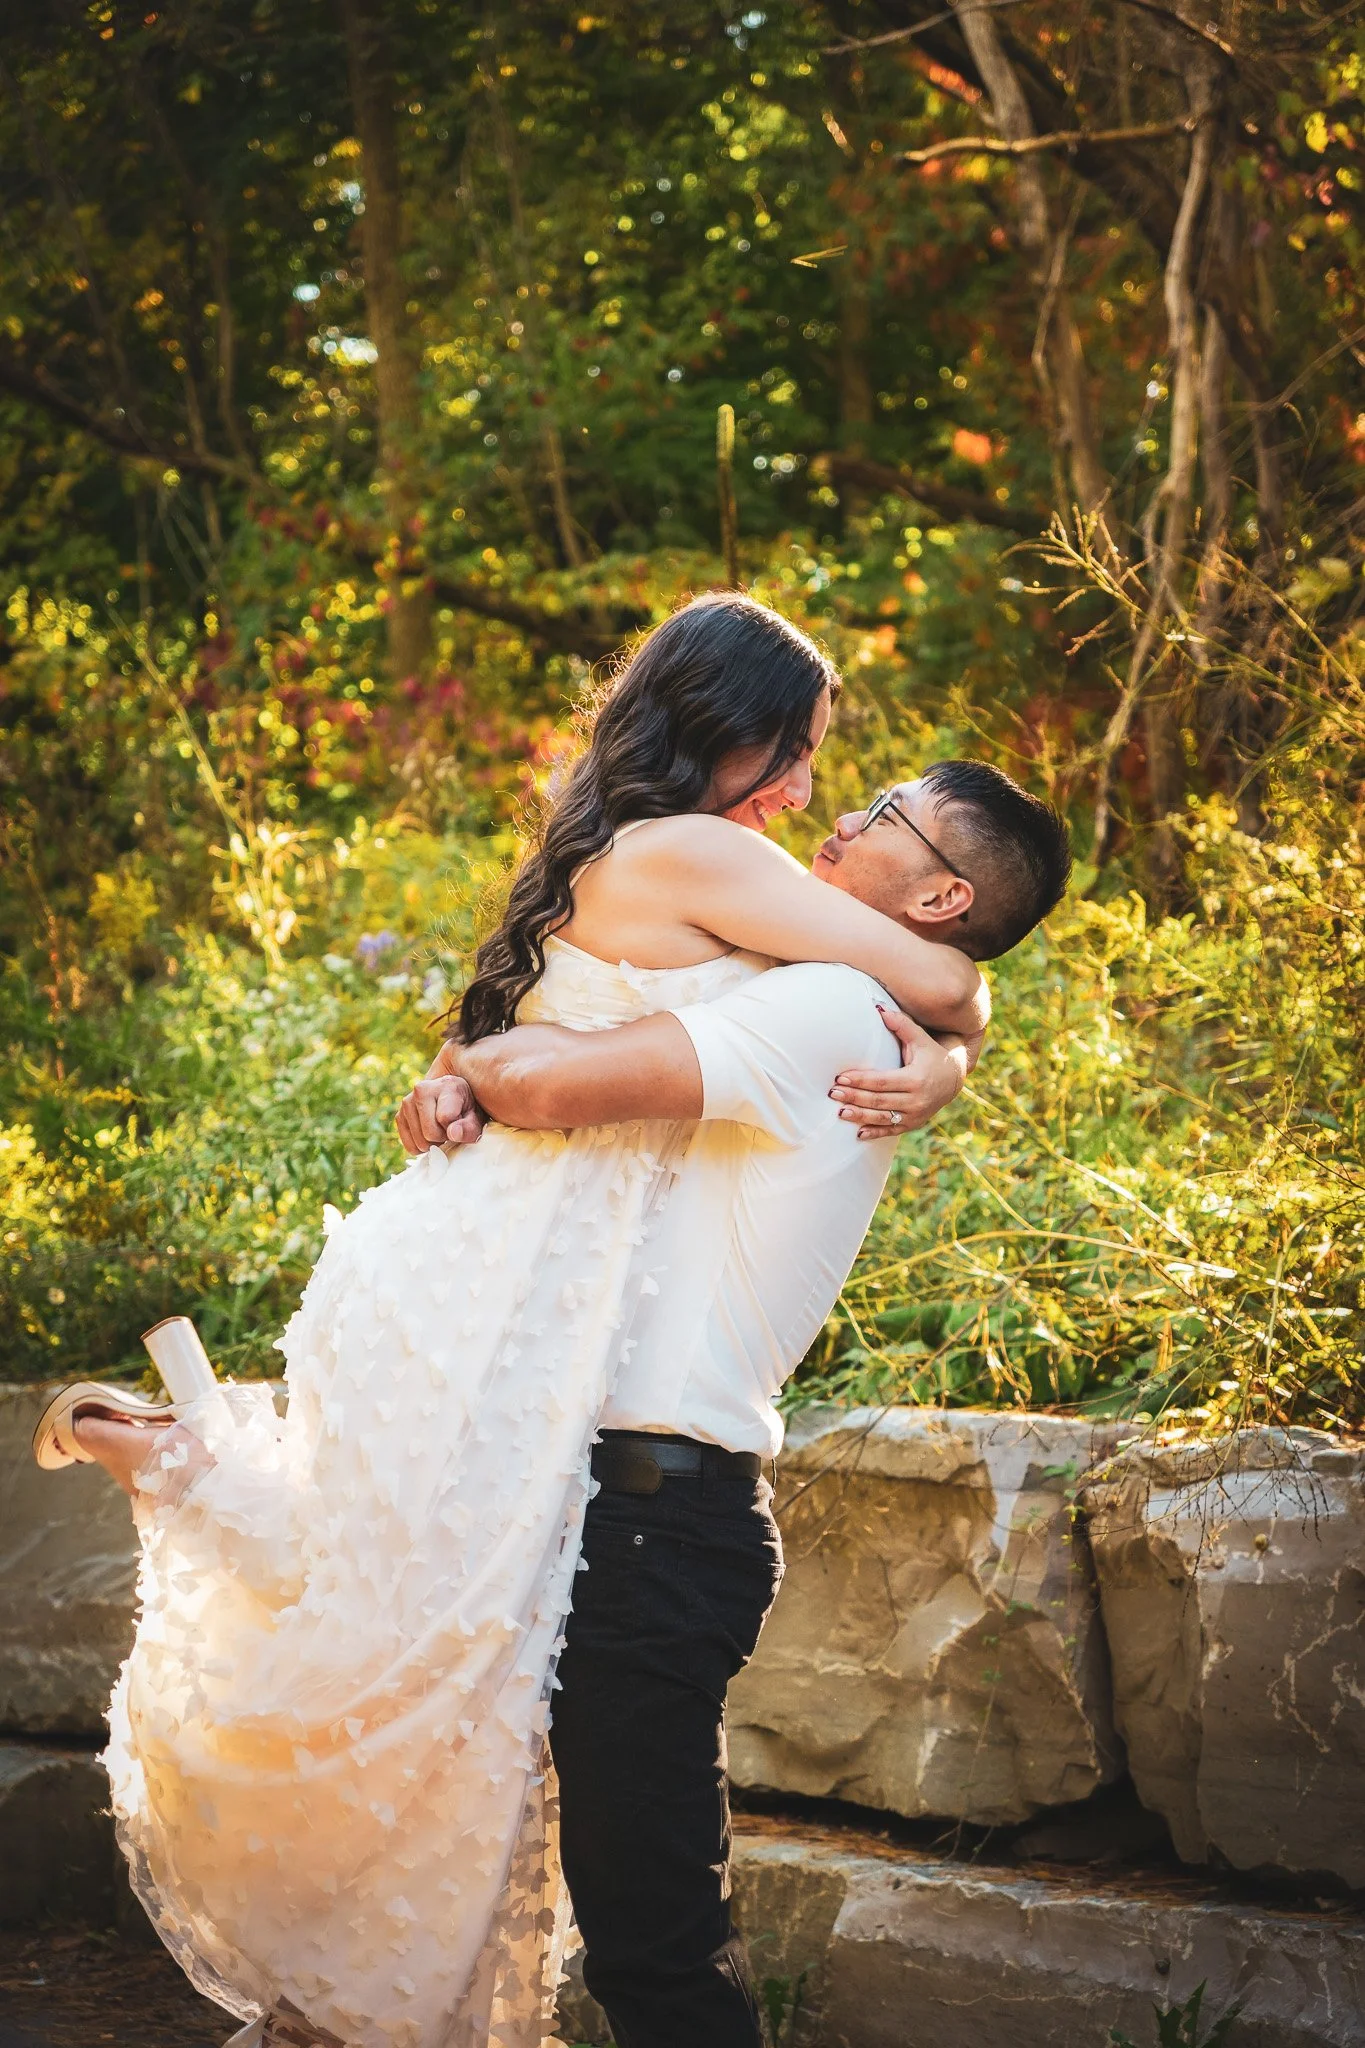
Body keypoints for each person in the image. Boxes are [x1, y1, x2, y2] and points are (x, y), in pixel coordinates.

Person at [30, 593, 992, 2048]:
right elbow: (930, 967)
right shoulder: (706, 855)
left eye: (841, 787)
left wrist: (477, 1064)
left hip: (456, 1278)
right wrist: (956, 1035)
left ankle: (181, 1459)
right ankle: (186, 1464)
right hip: (506, 1305)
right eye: (799, 757)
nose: (809, 799)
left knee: (402, 1653)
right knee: (430, 1702)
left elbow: (854, 975)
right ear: (721, 731)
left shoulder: (618, 852)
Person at [396, 761, 1072, 2048]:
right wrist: (961, 1051)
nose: (845, 814)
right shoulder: (834, 995)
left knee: (656, 1952)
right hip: (613, 1504)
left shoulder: (824, 1004)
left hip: (657, 1519)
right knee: (583, 1918)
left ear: (940, 890)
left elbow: (547, 1085)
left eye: (885, 815)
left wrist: (477, 1064)